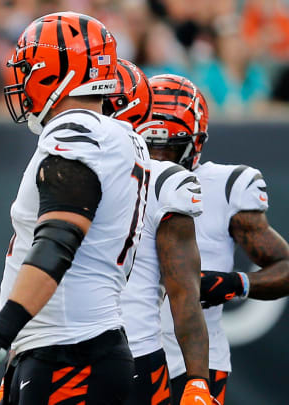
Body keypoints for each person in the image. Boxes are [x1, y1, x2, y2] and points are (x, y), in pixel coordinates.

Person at [0, 12, 151, 404]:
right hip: (74, 346)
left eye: (29, 68)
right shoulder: (121, 135)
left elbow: (59, 239)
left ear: (55, 73)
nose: (19, 80)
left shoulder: (76, 131)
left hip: (71, 353)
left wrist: (0, 333)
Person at [151, 73, 289, 404]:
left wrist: (235, 283)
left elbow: (284, 265)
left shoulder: (226, 186)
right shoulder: (117, 177)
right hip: (125, 352)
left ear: (195, 142)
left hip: (196, 362)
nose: (156, 158)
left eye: (167, 146)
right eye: (148, 144)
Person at [108, 61, 215, 405]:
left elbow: (184, 292)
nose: (160, 159)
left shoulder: (166, 183)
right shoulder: (81, 165)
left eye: (169, 149)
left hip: (125, 349)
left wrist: (198, 380)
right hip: (73, 344)